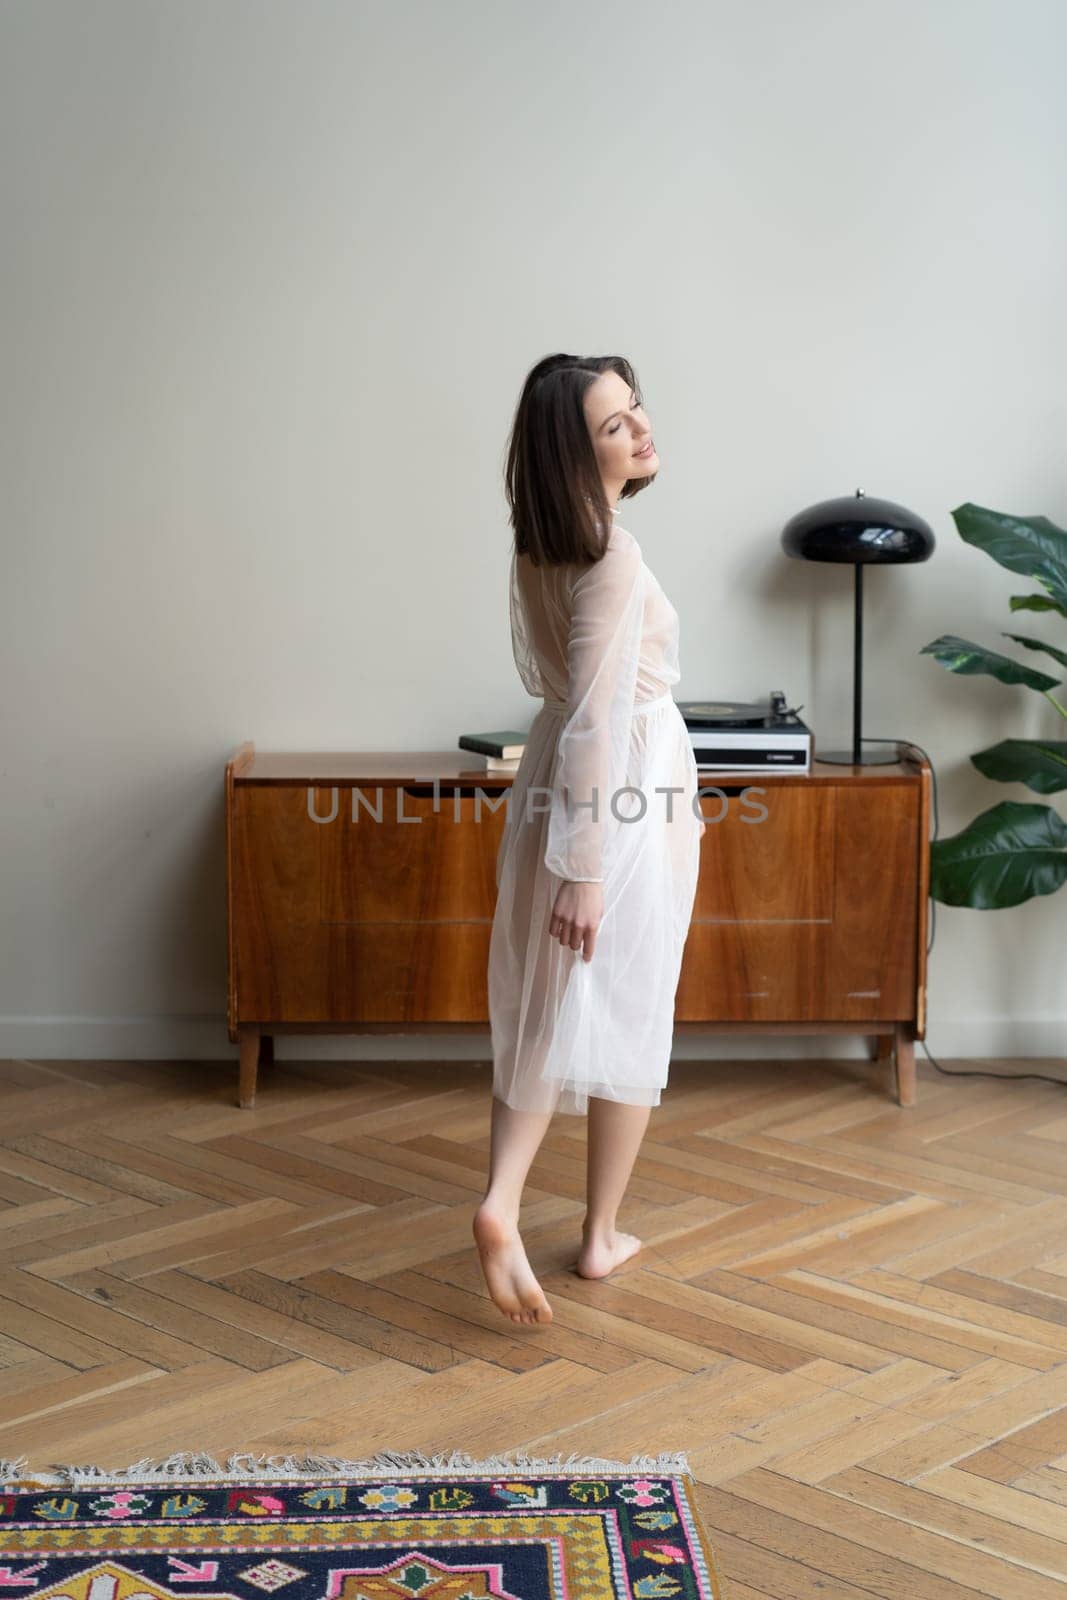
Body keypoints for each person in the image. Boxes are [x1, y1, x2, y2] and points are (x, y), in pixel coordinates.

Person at [474, 354, 705, 1327]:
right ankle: (593, 1232)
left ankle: (507, 1198)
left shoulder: (544, 545)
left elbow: (564, 703)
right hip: (618, 799)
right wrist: (587, 867)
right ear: (576, 454)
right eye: (614, 426)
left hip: (559, 790)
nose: (640, 431)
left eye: (634, 410)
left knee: (543, 1003)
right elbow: (600, 720)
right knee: (626, 1005)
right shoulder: (611, 553)